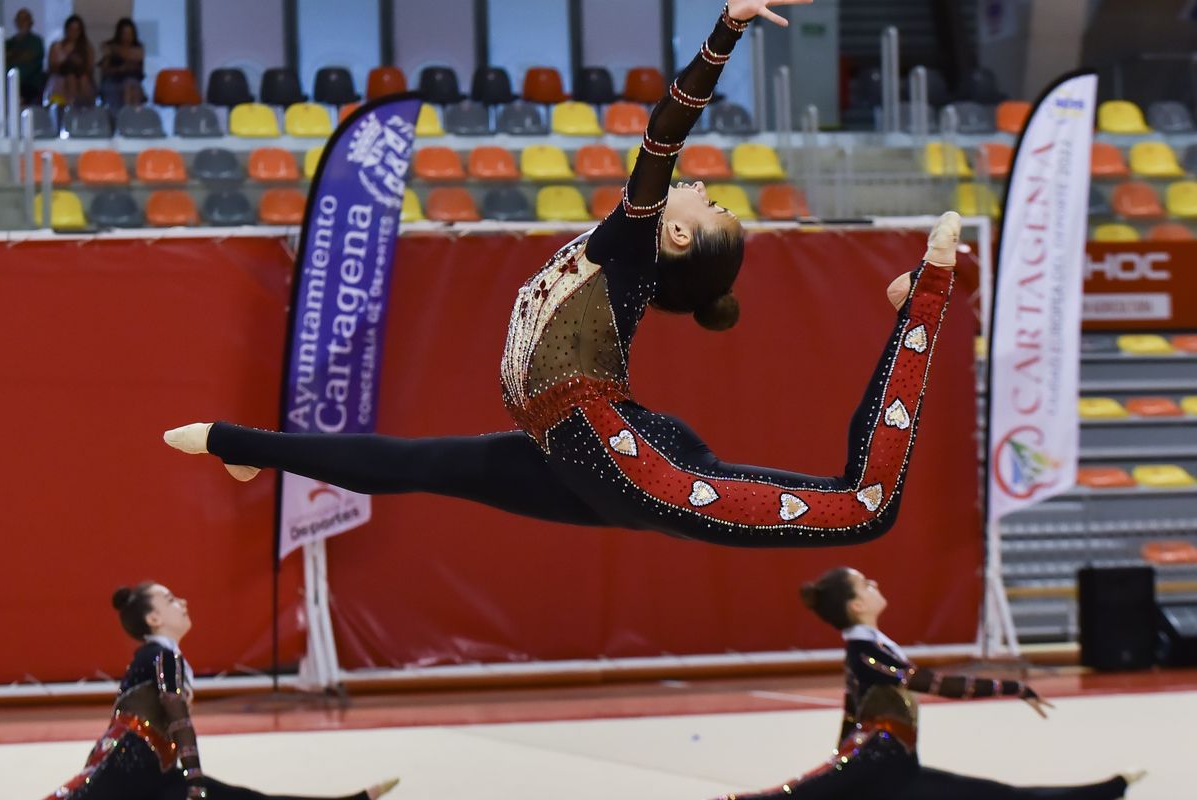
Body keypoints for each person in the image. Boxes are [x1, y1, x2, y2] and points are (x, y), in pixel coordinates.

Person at [164, 0, 959, 549]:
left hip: (619, 452)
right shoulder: (623, 251)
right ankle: (242, 445)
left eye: (706, 202)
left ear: (677, 233)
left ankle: (922, 298)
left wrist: (726, 29)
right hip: (581, 447)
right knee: (415, 466)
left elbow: (664, 133)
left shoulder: (633, 245)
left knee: (866, 507)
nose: (697, 187)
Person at [714, 567, 1145, 799]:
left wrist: (838, 754)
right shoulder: (867, 653)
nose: (876, 582)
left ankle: (1107, 791)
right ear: (859, 604)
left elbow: (852, 708)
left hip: (891, 767)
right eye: (867, 582)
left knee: (998, 797)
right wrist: (1011, 688)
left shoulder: (868, 647)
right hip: (877, 764)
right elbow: (934, 684)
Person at [44, 581, 400, 800]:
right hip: (127, 769)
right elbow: (176, 714)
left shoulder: (162, 656)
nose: (181, 601)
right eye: (169, 599)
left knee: (238, 799)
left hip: (151, 772)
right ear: (153, 619)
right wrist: (194, 775)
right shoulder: (160, 654)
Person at [46, 14, 95, 106]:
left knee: (83, 80)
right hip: (60, 77)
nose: (74, 32)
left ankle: (80, 107)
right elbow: (51, 67)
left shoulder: (86, 48)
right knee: (69, 78)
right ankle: (70, 107)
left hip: (81, 77)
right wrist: (66, 62)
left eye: (77, 30)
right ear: (66, 29)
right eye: (71, 29)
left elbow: (90, 68)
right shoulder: (57, 46)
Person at [98, 17, 145, 108]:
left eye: (130, 33)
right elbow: (105, 69)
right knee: (127, 86)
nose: (127, 37)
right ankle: (125, 116)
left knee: (131, 85)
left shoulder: (138, 47)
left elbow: (136, 58)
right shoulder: (109, 47)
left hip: (132, 81)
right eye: (125, 33)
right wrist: (119, 68)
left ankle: (131, 115)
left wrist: (115, 50)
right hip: (113, 80)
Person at [5, 7, 45, 106]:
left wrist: (12, 56)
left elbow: (31, 60)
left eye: (25, 19)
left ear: (31, 22)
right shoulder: (8, 43)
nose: (22, 22)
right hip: (7, 84)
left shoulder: (36, 41)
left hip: (29, 85)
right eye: (20, 19)